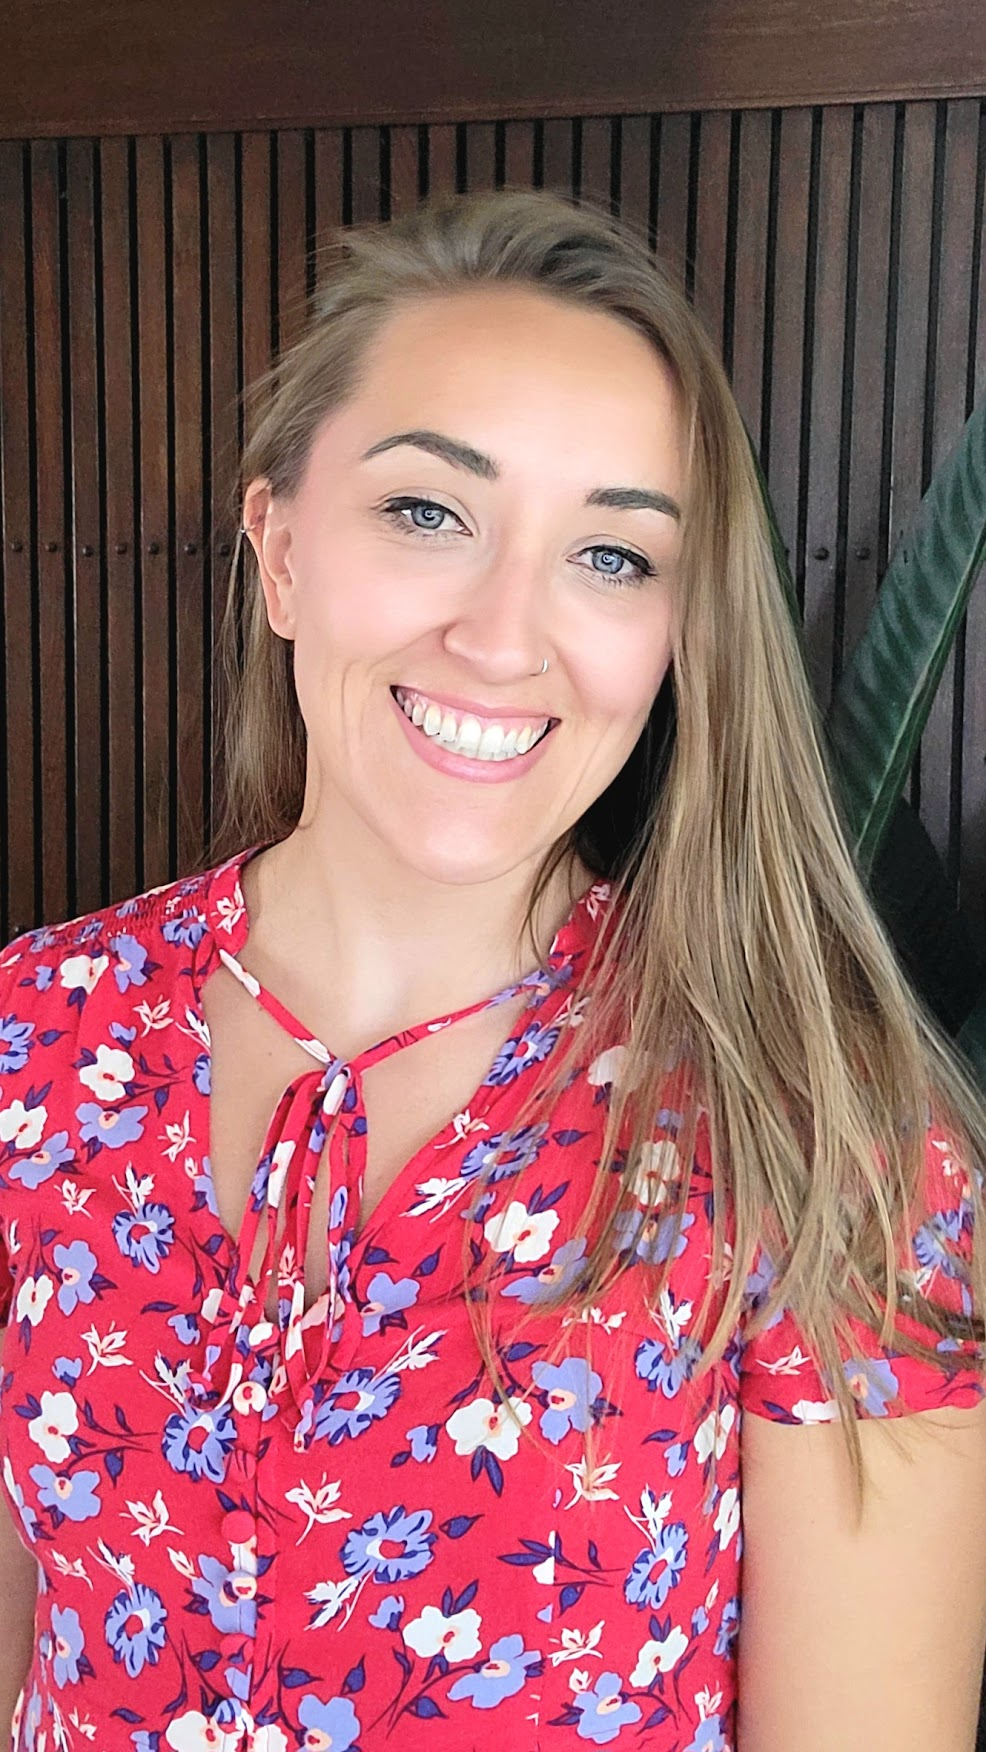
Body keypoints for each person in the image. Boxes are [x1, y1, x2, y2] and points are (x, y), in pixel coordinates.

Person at [1, 187, 985, 1752]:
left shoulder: (819, 1127)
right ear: (276, 550)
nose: (505, 635)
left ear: (674, 634)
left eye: (609, 555)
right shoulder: (31, 1039)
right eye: (426, 513)